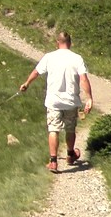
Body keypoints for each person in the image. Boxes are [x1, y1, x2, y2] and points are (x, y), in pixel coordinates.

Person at [19, 31, 93, 172]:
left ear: (57, 43)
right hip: (71, 101)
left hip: (53, 101)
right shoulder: (77, 58)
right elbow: (83, 79)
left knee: (53, 129)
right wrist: (89, 98)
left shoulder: (49, 57)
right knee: (70, 128)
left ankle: (53, 162)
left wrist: (27, 83)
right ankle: (71, 155)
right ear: (70, 43)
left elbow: (36, 72)